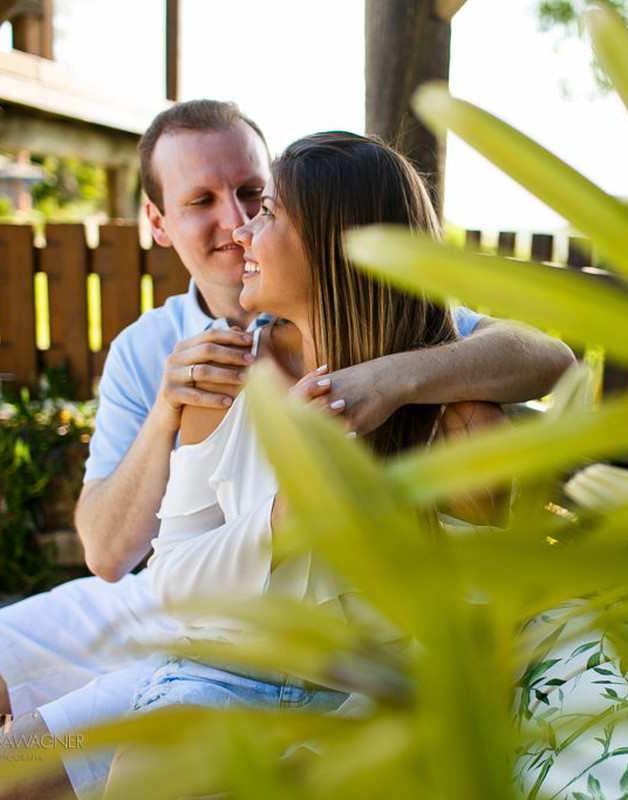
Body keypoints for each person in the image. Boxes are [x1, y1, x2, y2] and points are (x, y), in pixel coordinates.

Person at [0, 101, 574, 800]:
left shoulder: (440, 370)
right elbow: (123, 559)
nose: (238, 223)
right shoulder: (191, 362)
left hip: (350, 676)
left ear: (337, 241)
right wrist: (209, 451)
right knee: (3, 761)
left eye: (259, 201)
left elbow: (548, 361)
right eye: (202, 201)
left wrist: (385, 383)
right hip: (204, 632)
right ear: (159, 223)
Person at [103, 129, 509, 795]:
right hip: (225, 675)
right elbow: (171, 578)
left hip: (378, 698)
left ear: (336, 241)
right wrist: (285, 515)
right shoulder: (224, 377)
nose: (241, 234)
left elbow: (467, 632)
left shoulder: (460, 423)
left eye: (267, 213)